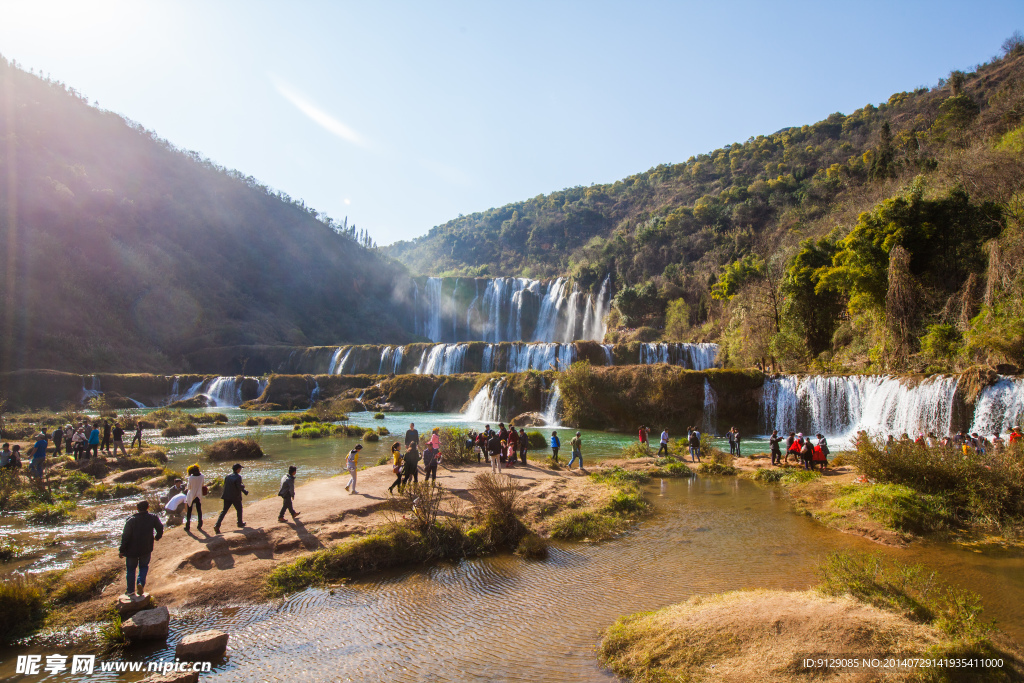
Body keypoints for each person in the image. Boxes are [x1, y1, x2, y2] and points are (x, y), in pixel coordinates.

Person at [118, 500, 163, 596]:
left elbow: (125, 536)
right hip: (146, 548)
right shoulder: (152, 517)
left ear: (137, 508)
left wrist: (122, 550)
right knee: (143, 567)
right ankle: (140, 583)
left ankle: (130, 591)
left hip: (131, 550)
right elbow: (160, 527)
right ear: (148, 507)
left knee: (130, 569)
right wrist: (157, 537)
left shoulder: (131, 520)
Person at [214, 463, 248, 533]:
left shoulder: (227, 476)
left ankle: (217, 525)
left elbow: (226, 485)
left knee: (224, 511)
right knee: (239, 509)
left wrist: (243, 489)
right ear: (238, 469)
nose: (240, 470)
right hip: (235, 496)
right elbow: (238, 486)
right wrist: (244, 490)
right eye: (240, 468)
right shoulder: (238, 477)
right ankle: (240, 523)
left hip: (226, 496)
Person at [184, 464, 205, 532]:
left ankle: (187, 526)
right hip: (199, 495)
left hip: (191, 495)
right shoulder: (202, 476)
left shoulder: (190, 478)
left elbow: (189, 487)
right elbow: (202, 485)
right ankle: (200, 524)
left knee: (189, 511)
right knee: (199, 510)